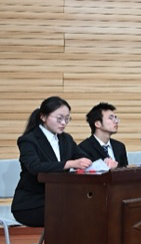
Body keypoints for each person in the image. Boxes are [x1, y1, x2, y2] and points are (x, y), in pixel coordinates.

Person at [11, 97, 92, 227]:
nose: (63, 123)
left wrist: (102, 162)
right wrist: (69, 164)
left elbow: (83, 157)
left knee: (89, 207)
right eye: (59, 118)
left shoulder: (66, 139)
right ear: (43, 117)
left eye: (67, 119)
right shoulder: (28, 140)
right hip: (32, 204)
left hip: (59, 199)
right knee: (73, 212)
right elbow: (34, 167)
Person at [78, 102, 128, 168]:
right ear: (97, 124)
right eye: (110, 118)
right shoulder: (84, 148)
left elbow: (125, 171)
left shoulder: (119, 146)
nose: (116, 121)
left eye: (115, 118)